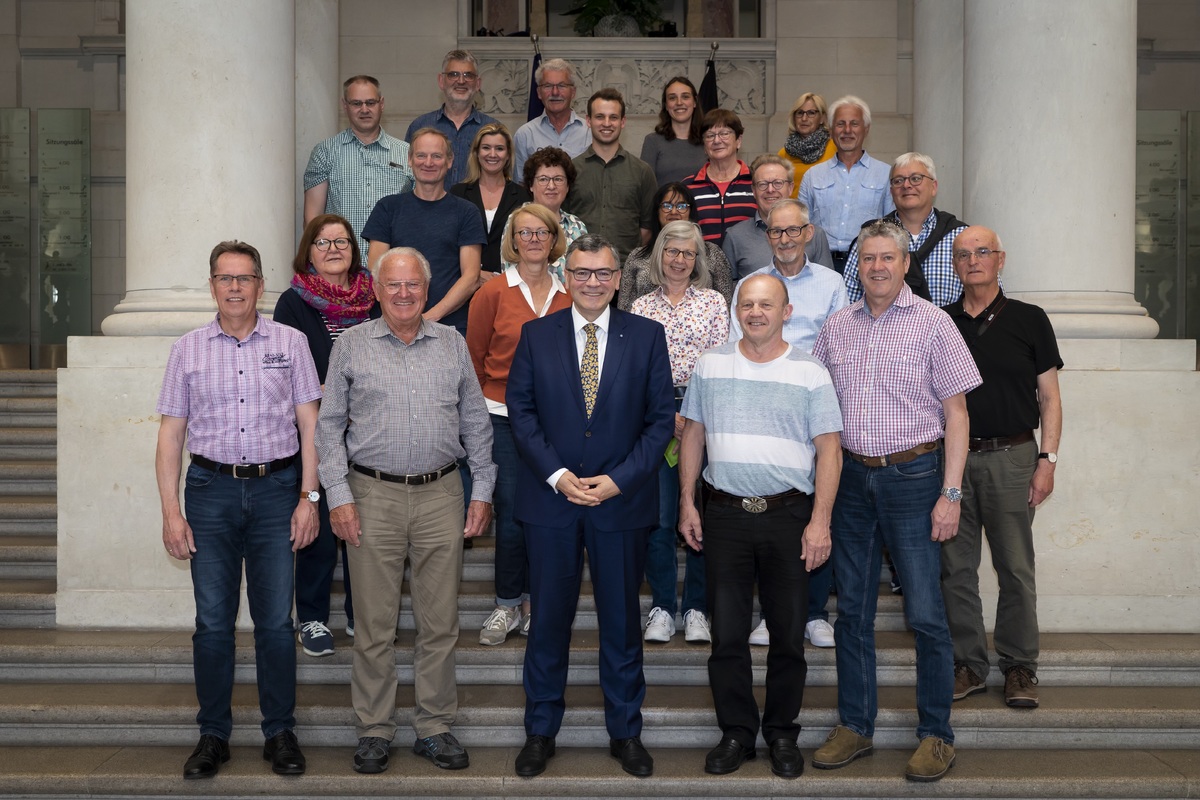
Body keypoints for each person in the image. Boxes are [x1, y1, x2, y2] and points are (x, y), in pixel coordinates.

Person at [315, 247, 497, 775]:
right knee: (374, 625)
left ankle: (435, 726)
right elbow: (328, 429)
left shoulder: (452, 344)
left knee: (439, 623)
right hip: (371, 496)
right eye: (392, 285)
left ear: (427, 287)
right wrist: (339, 497)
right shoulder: (350, 346)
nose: (402, 294)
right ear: (376, 289)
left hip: (442, 494)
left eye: (412, 285)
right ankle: (374, 728)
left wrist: (482, 489)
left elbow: (474, 421)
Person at [811, 221, 981, 783]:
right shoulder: (837, 327)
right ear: (856, 266)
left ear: (905, 264)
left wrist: (950, 493)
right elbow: (820, 413)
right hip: (853, 482)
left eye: (888, 258)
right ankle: (856, 726)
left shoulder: (935, 325)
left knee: (927, 615)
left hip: (916, 476)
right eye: (868, 259)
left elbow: (957, 415)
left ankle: (936, 734)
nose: (877, 267)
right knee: (852, 613)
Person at [506, 234, 675, 779]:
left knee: (622, 626)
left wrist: (617, 481)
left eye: (603, 273)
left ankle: (625, 731)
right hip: (551, 503)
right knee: (548, 623)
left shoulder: (648, 337)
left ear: (618, 279)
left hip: (619, 507)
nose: (593, 282)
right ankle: (540, 731)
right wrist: (557, 476)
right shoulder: (537, 335)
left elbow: (660, 422)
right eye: (582, 272)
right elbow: (521, 411)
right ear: (566, 274)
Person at [156, 240, 321, 779]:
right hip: (209, 492)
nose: (234, 287)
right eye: (224, 278)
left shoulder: (291, 343)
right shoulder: (187, 349)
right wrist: (171, 513)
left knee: (276, 622)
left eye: (244, 278)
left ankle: (280, 732)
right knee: (212, 623)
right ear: (212, 286)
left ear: (260, 285)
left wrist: (309, 498)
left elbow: (310, 427)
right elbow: (170, 436)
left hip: (278, 491)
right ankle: (213, 735)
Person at [678, 273, 843, 779]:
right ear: (736, 311)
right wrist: (687, 501)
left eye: (766, 305)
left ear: (786, 312)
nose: (755, 312)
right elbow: (693, 436)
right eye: (746, 304)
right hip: (723, 515)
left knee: (789, 636)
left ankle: (780, 734)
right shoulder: (710, 364)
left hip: (789, 517)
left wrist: (820, 522)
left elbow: (829, 451)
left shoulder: (811, 371)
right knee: (726, 634)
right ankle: (736, 733)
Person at [940, 226, 1063, 710]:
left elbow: (1050, 399)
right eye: (963, 254)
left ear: (1000, 259)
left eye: (982, 252)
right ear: (954, 264)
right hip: (953, 461)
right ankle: (968, 664)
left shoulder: (1030, 319)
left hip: (1013, 458)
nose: (973, 261)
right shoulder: (941, 321)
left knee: (1014, 568)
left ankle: (1019, 667)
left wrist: (1047, 460)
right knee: (955, 569)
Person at [728, 198, 847, 649]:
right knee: (768, 516)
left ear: (808, 233)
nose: (784, 239)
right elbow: (735, 340)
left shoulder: (832, 284)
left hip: (813, 407)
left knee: (815, 506)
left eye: (792, 230)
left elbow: (839, 346)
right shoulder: (751, 284)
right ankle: (769, 613)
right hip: (761, 410)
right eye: (775, 232)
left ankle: (814, 612)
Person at [466, 204, 572, 646]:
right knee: (510, 515)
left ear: (554, 240)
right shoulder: (492, 293)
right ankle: (506, 604)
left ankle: (535, 604)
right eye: (524, 232)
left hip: (556, 425)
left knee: (546, 516)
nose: (532, 239)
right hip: (502, 418)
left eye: (541, 232)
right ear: (512, 240)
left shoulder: (569, 294)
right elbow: (472, 358)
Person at [273, 214, 376, 657]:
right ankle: (312, 617)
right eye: (322, 242)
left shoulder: (376, 297)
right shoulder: (292, 302)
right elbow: (285, 368)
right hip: (314, 427)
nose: (333, 249)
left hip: (371, 429)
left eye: (342, 241)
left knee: (364, 526)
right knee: (315, 522)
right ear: (308, 251)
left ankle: (361, 614)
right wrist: (324, 394)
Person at [628, 220, 730, 645]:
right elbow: (633, 370)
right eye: (672, 251)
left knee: (701, 514)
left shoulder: (713, 303)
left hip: (703, 414)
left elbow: (720, 362)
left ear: (698, 260)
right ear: (659, 256)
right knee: (660, 516)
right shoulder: (640, 309)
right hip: (653, 415)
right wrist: (665, 415)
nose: (679, 260)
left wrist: (692, 415)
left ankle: (697, 608)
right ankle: (663, 607)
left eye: (688, 253)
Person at [362, 128, 485, 336]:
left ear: (449, 161)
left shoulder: (466, 212)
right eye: (421, 155)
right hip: (391, 325)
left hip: (447, 325)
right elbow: (376, 270)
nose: (428, 163)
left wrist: (429, 319)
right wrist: (404, 319)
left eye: (436, 156)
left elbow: (471, 277)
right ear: (410, 159)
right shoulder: (387, 208)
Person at [303, 75, 412, 262]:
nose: (364, 109)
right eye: (356, 103)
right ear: (345, 105)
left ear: (382, 104)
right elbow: (313, 219)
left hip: (393, 267)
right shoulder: (325, 152)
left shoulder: (407, 152)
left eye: (370, 102)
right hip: (341, 267)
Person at [843, 152, 969, 307]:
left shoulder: (962, 238)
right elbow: (849, 302)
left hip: (948, 329)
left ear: (934, 187)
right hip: (879, 329)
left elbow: (986, 296)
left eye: (916, 178)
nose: (906, 185)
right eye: (898, 181)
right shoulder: (869, 238)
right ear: (891, 191)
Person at [799, 95, 894, 274]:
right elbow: (801, 228)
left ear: (866, 129)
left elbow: (892, 229)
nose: (847, 130)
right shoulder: (813, 176)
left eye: (854, 124)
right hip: (820, 266)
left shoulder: (885, 174)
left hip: (867, 267)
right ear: (831, 129)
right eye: (840, 124)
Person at [566, 88, 657, 262]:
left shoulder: (642, 171)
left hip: (626, 271)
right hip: (580, 270)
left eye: (613, 117)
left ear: (622, 122)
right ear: (588, 120)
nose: (606, 123)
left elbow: (647, 227)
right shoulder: (571, 170)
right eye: (600, 116)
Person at [618, 182, 733, 310]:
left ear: (691, 211)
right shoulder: (637, 256)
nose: (673, 211)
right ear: (657, 211)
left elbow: (727, 306)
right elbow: (624, 307)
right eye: (666, 206)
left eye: (681, 206)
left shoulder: (712, 253)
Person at [722, 154, 834, 279]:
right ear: (753, 191)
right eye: (762, 184)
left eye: (778, 183)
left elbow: (827, 282)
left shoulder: (814, 234)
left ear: (790, 188)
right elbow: (729, 291)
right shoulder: (735, 237)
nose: (770, 190)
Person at [405, 49, 498, 190]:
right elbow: (407, 176)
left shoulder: (493, 128)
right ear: (441, 81)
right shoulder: (419, 126)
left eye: (468, 75)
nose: (461, 81)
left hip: (478, 211)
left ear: (478, 84)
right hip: (429, 209)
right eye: (453, 75)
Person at [449, 122, 532, 279]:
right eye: (486, 147)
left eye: (499, 149)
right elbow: (448, 243)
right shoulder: (458, 193)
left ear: (508, 155)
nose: (492, 154)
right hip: (462, 283)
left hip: (509, 284)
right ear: (476, 153)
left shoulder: (523, 196)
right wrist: (476, 274)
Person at [498, 146, 589, 282]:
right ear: (530, 185)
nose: (551, 186)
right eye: (543, 179)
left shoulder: (577, 226)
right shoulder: (517, 221)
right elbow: (509, 271)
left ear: (568, 186)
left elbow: (585, 274)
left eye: (558, 179)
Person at [682, 109, 757, 245]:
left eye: (724, 133)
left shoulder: (757, 182)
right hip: (703, 264)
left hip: (747, 265)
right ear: (704, 145)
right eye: (710, 135)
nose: (717, 140)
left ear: (738, 140)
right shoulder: (688, 186)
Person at [513, 58, 590, 179]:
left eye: (561, 85)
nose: (555, 92)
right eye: (548, 86)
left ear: (573, 92)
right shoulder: (525, 134)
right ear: (539, 92)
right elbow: (521, 184)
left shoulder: (589, 132)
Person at [639, 76, 707, 185]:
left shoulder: (708, 140)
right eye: (672, 98)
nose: (679, 102)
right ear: (666, 105)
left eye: (685, 97)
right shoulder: (653, 141)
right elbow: (645, 188)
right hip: (663, 202)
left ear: (694, 102)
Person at [778, 92, 836, 197]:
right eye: (800, 113)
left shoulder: (835, 149)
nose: (804, 118)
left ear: (822, 118)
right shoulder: (783, 154)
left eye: (811, 113)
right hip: (793, 211)